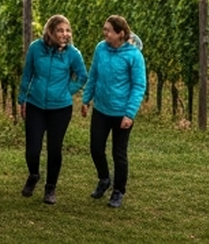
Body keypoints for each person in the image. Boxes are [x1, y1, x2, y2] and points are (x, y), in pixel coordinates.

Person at [17, 13, 86, 204]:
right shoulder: (35, 49)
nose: (65, 34)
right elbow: (27, 74)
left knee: (54, 149)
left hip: (60, 108)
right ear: (50, 31)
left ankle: (50, 188)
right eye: (60, 30)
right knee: (33, 148)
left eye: (67, 30)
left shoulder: (73, 54)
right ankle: (33, 175)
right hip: (35, 105)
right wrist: (22, 99)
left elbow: (82, 76)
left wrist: (67, 90)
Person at [83, 14, 146, 209]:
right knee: (95, 149)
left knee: (119, 153)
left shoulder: (134, 55)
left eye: (108, 30)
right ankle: (104, 179)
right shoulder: (100, 49)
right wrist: (86, 99)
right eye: (104, 29)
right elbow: (93, 74)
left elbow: (138, 86)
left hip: (122, 113)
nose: (105, 33)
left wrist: (130, 114)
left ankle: (118, 191)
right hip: (101, 109)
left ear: (120, 33)